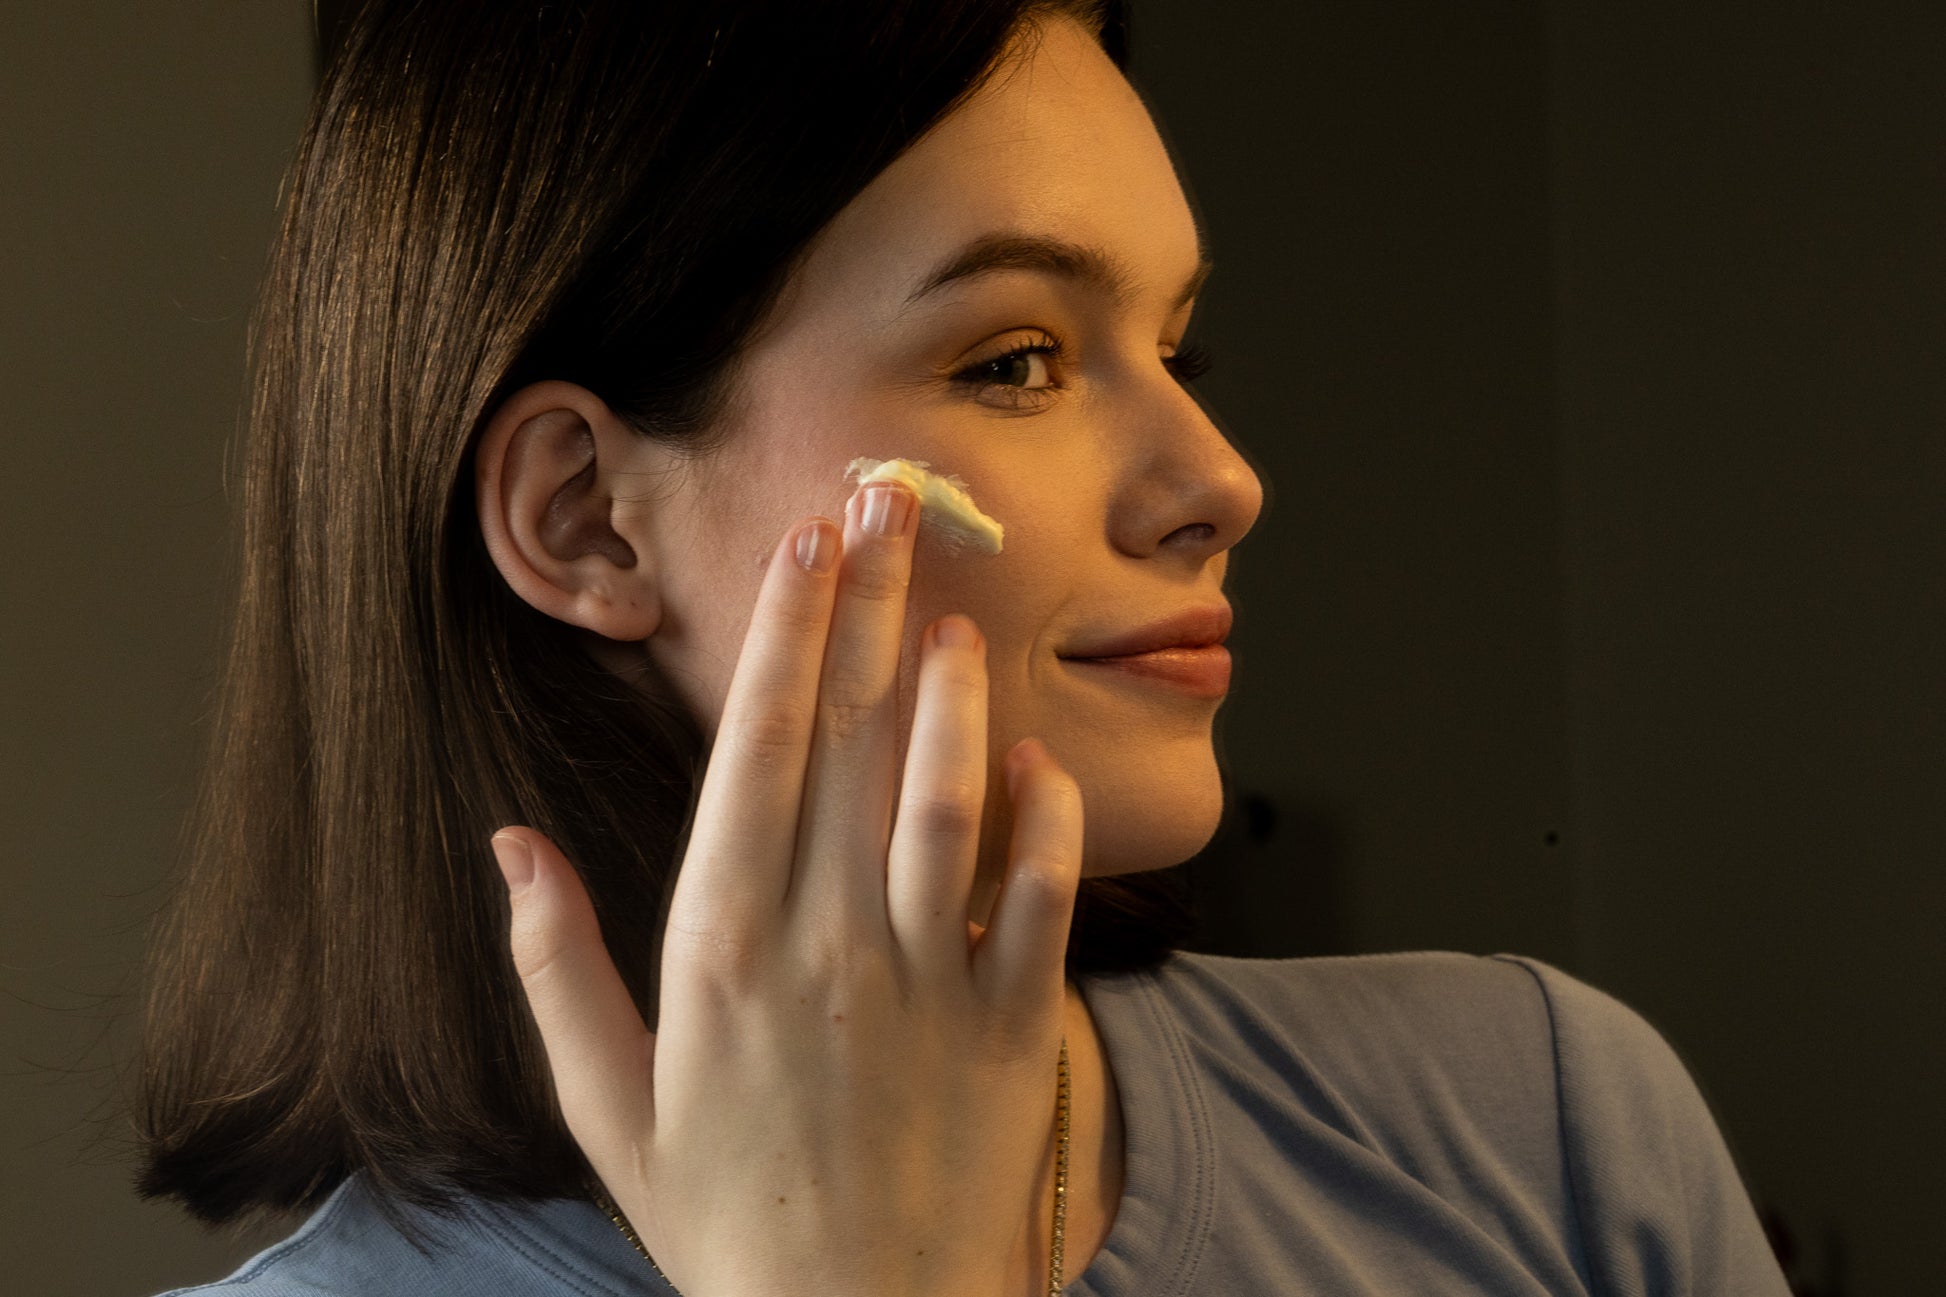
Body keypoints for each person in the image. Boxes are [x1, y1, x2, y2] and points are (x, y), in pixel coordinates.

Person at [133, 2, 1791, 1294]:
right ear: (585, 519)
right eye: (1013, 360)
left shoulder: (1543, 1124)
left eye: (1175, 345)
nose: (1218, 483)